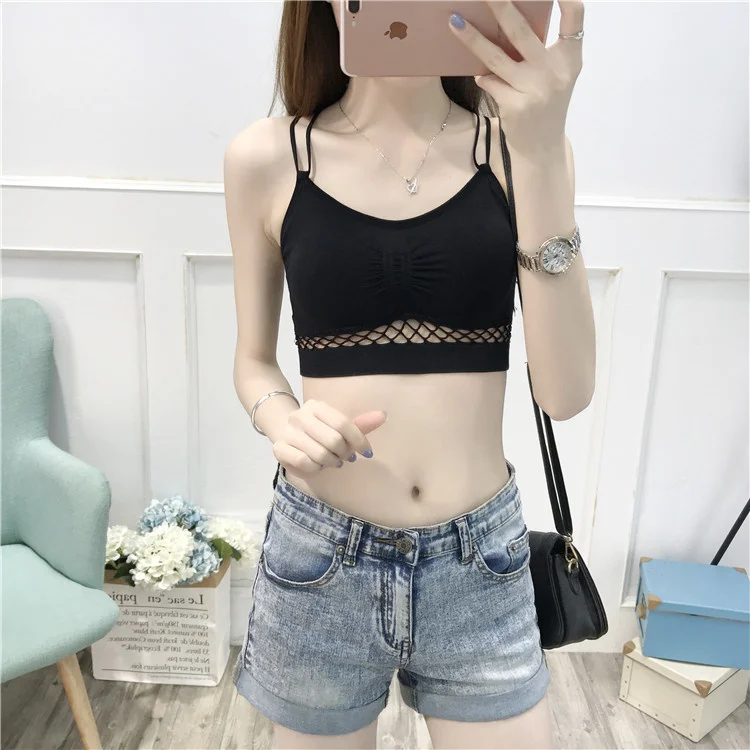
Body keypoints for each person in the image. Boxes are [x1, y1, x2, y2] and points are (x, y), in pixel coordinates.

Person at [224, 1, 592, 748]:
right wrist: (282, 419)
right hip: (320, 562)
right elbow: (253, 360)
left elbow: (566, 393)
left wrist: (542, 154)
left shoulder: (521, 149)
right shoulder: (267, 157)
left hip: (480, 565)